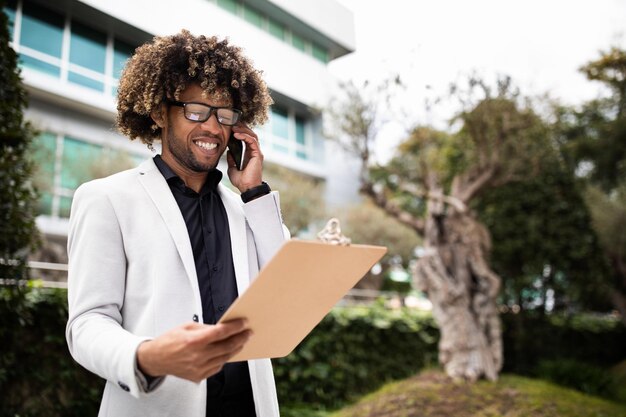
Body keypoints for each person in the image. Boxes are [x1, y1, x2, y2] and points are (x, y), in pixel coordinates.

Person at [65, 30, 289, 417]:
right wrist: (148, 357)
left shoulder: (247, 209)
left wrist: (254, 192)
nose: (214, 128)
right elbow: (88, 323)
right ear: (158, 112)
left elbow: (286, 293)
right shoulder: (106, 198)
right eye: (197, 110)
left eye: (225, 114)